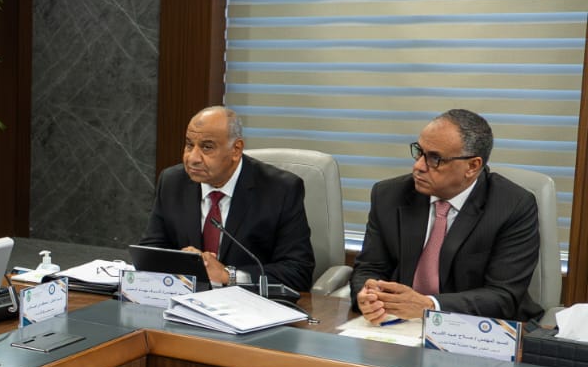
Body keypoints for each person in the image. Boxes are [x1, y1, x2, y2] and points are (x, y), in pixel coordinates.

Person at [352, 109, 542, 324]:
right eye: (419, 152)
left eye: (435, 158)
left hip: (476, 329)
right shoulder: (389, 195)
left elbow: (503, 295)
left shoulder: (512, 206)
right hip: (399, 325)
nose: (418, 166)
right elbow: (369, 267)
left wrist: (430, 306)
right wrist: (368, 295)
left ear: (472, 166)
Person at [139, 105, 314, 291]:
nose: (192, 158)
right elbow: (150, 253)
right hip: (185, 300)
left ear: (236, 150)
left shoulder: (280, 190)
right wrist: (183, 262)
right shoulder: (173, 182)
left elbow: (298, 272)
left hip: (248, 303)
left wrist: (228, 275)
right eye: (189, 145)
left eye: (207, 147)